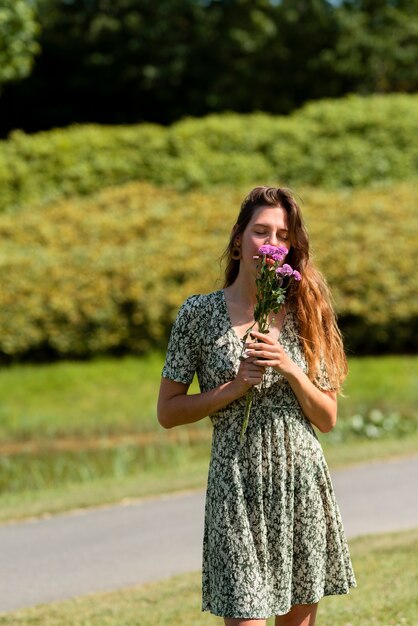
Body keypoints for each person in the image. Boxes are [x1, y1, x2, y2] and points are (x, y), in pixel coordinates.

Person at [157, 186, 357, 626]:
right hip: (235, 485)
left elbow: (327, 419)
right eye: (261, 231)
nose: (272, 243)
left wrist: (290, 369)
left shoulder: (307, 310)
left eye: (283, 235)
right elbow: (168, 411)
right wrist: (232, 389)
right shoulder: (198, 313)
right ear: (238, 238)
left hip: (299, 482)